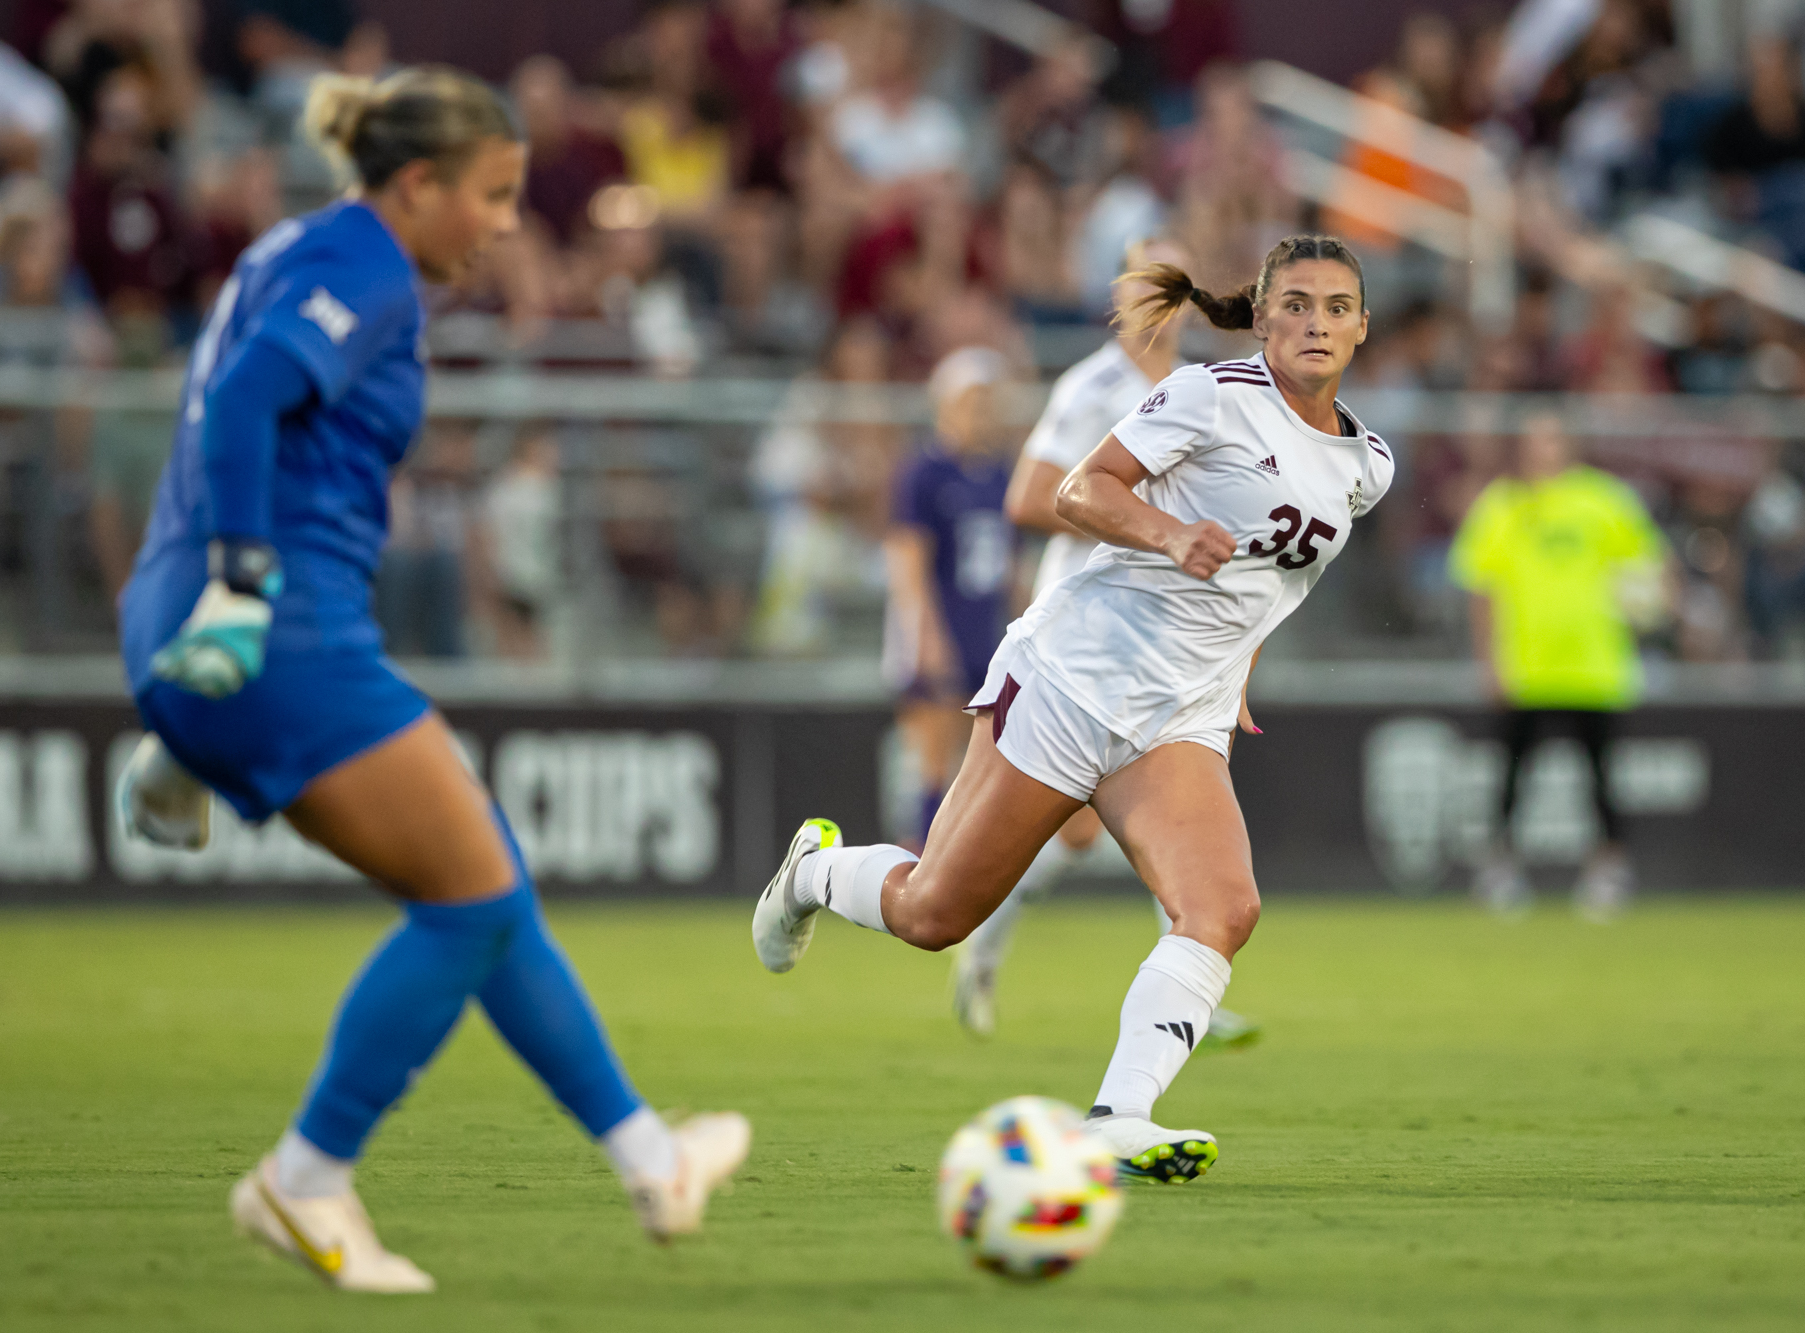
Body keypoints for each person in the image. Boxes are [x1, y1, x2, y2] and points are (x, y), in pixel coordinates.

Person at [112, 67, 748, 1294]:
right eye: (493, 196)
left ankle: (649, 1157)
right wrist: (244, 589)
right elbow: (246, 403)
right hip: (273, 630)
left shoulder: (291, 250)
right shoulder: (366, 268)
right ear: (415, 186)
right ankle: (304, 1179)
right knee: (464, 899)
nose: (508, 224)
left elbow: (242, 418)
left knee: (485, 872)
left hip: (194, 618)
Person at [753, 235, 1392, 1184]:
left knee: (1221, 906)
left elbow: (1271, 582)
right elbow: (1076, 487)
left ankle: (1118, 1116)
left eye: (1336, 308)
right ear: (1260, 318)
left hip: (1179, 716)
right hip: (1075, 677)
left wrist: (1240, 668)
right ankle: (812, 873)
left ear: (1361, 327)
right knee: (936, 912)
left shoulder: (1368, 463)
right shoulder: (1209, 394)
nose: (1316, 324)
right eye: (1295, 304)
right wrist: (1170, 534)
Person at [949, 237, 1258, 1057]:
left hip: (1167, 634)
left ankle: (1190, 963)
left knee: (1170, 797)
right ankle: (978, 945)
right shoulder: (1091, 387)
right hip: (1084, 635)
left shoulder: (1206, 394)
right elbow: (1028, 494)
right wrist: (1136, 517)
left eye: (1176, 284)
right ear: (1120, 296)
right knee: (1079, 831)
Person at [1449, 411, 1670, 920]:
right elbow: (1481, 590)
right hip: (1526, 667)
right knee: (1512, 774)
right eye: (1533, 440)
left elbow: (1648, 568)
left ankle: (1609, 870)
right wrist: (1490, 662)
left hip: (1595, 666)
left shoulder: (1604, 499)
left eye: (1550, 441)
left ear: (1567, 445)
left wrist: (1648, 607)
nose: (1541, 450)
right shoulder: (1502, 505)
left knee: (1601, 776)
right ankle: (1501, 868)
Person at [883, 346, 1019, 846]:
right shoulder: (925, 473)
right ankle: (917, 862)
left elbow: (1011, 568)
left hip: (982, 626)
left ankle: (948, 866)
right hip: (941, 624)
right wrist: (925, 635)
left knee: (974, 763)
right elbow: (909, 561)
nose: (983, 414)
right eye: (973, 402)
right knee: (932, 759)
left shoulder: (1000, 474)